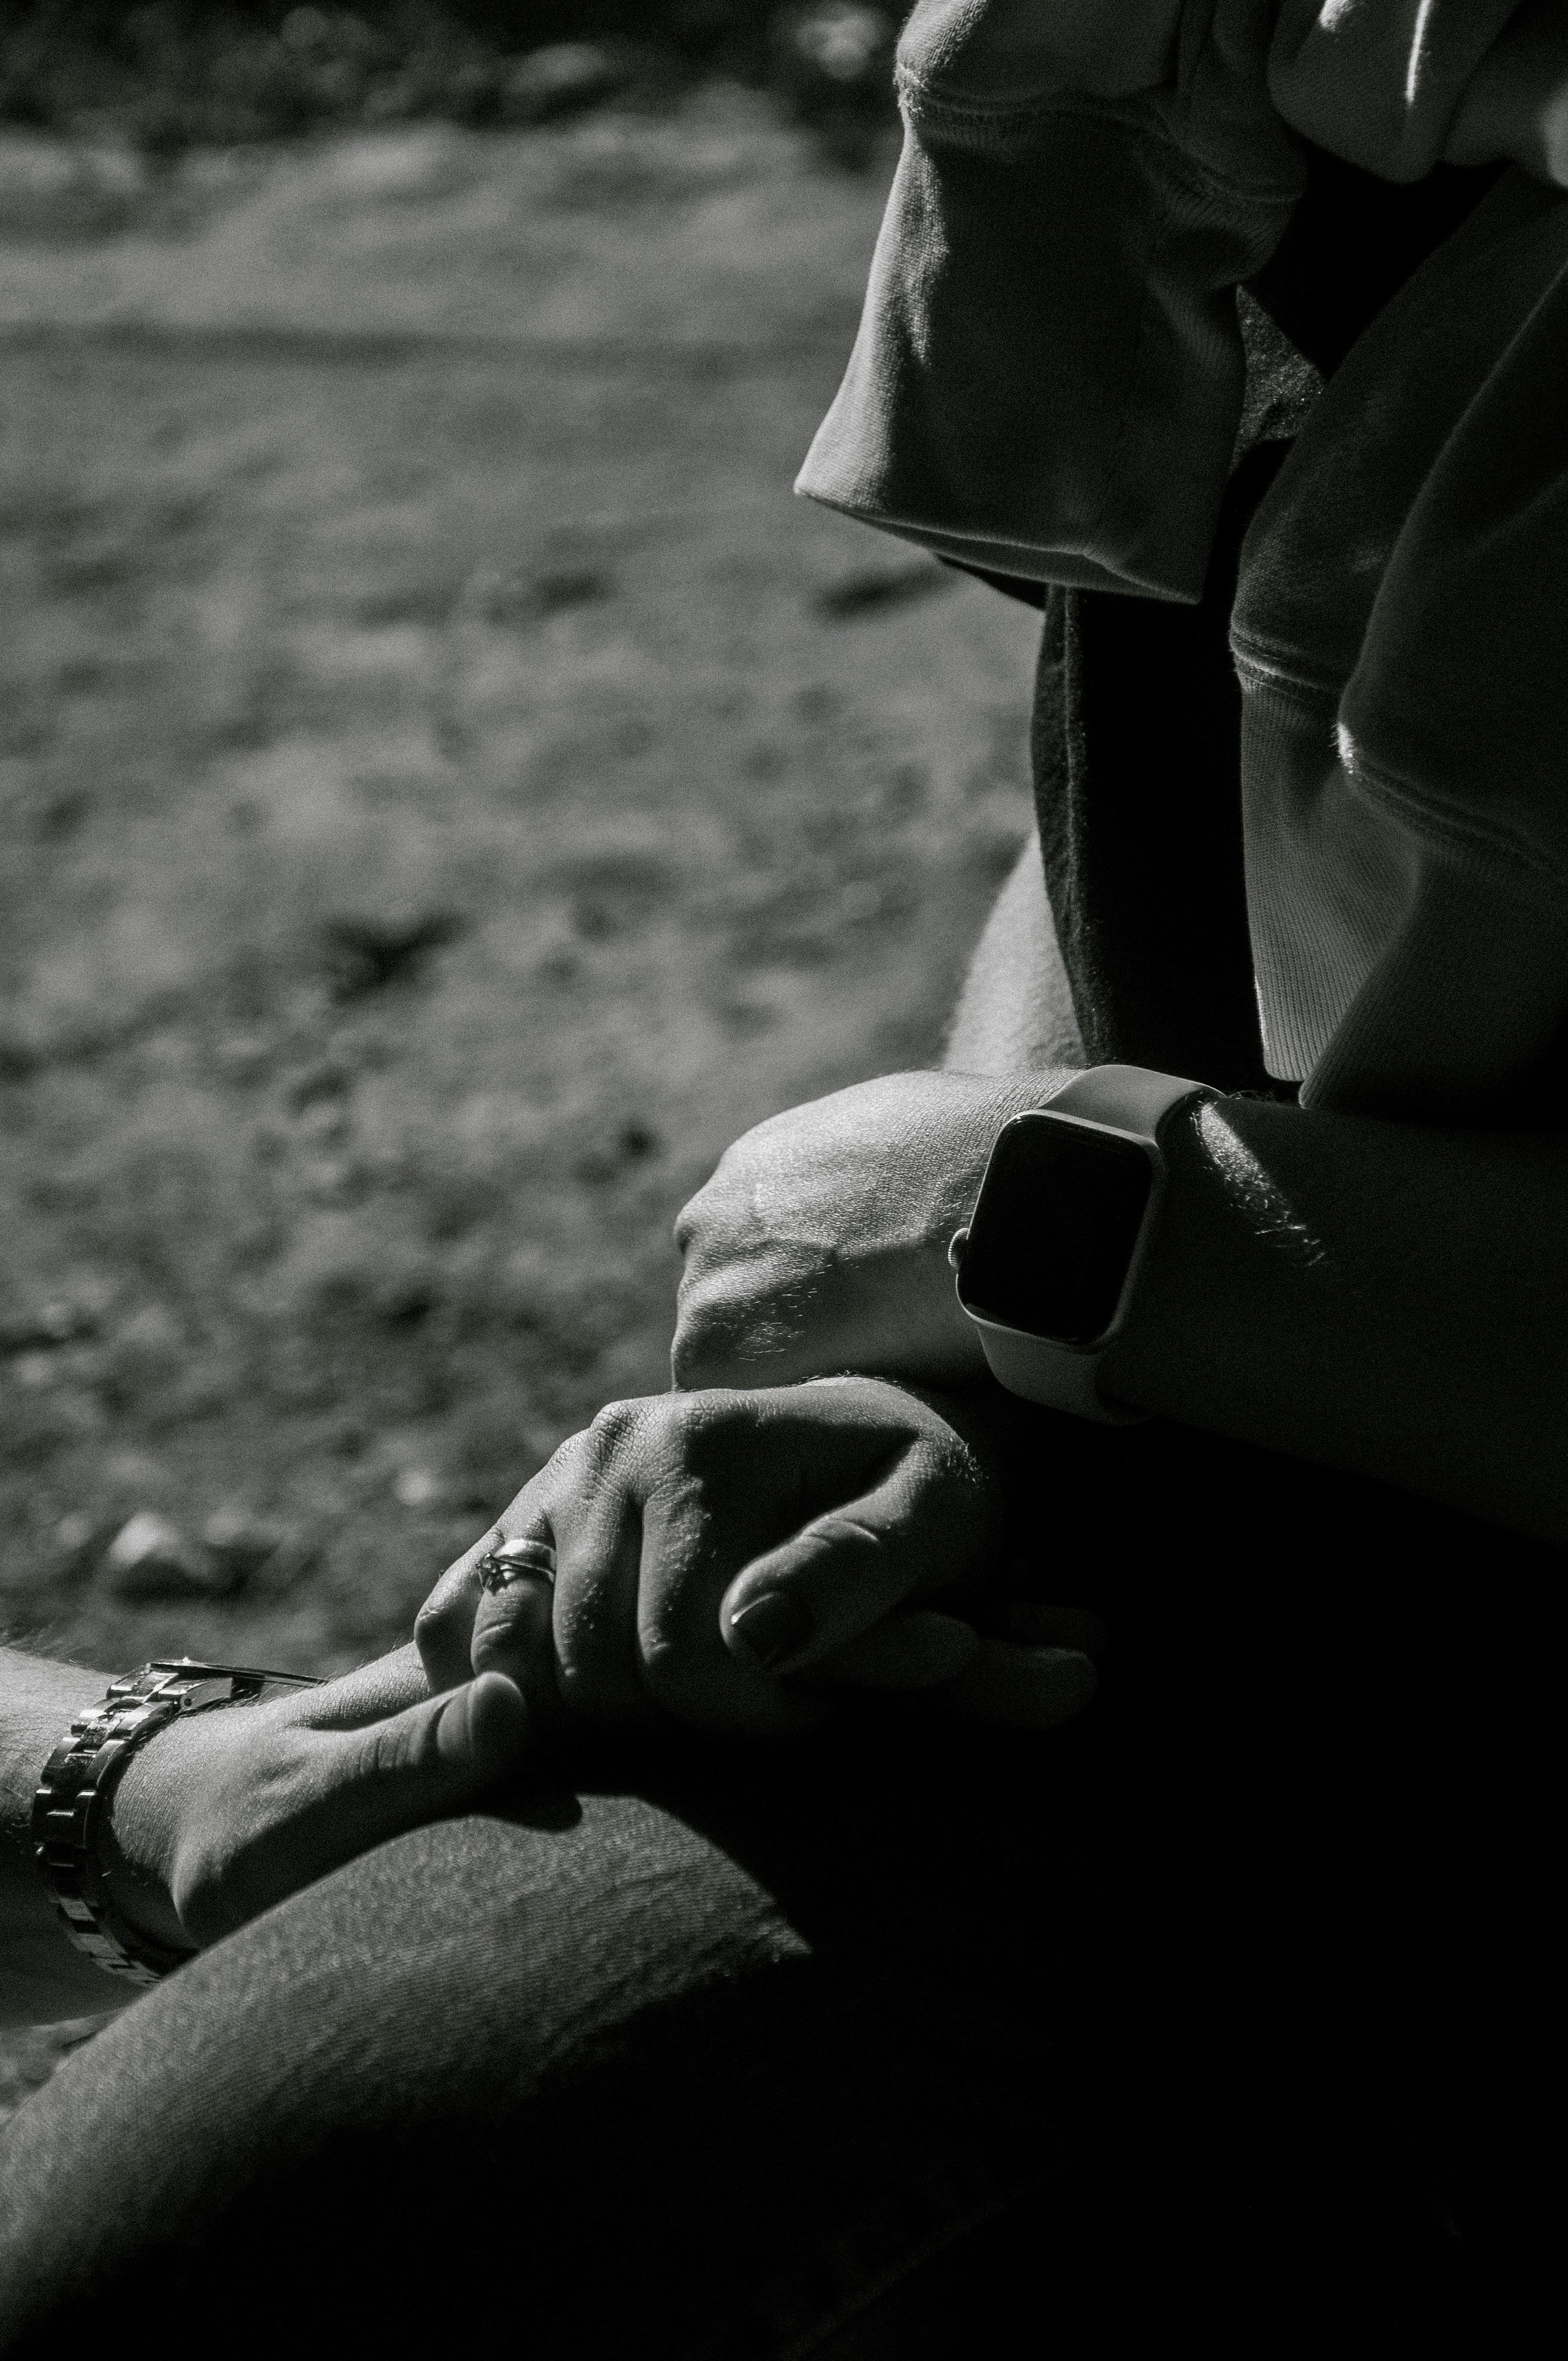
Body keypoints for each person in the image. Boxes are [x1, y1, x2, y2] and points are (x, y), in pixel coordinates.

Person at [2, 4, 1566, 2351]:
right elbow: (1152, 798)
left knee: (267, 2255)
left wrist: (1050, 1218)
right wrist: (957, 1380)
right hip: (1161, 1550)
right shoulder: (1276, 96)